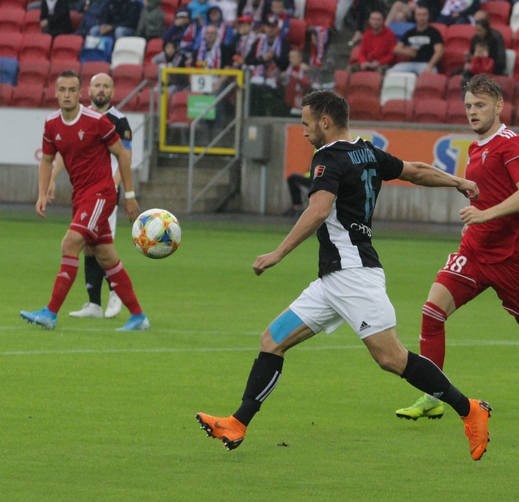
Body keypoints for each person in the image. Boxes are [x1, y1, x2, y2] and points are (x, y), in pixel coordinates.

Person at [195, 90, 493, 461]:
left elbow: (319, 211)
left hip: (354, 276)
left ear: (324, 122)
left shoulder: (329, 157)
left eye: (306, 124)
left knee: (391, 358)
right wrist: (457, 181)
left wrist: (278, 253)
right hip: (332, 280)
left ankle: (469, 409)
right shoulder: (365, 150)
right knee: (272, 339)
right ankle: (237, 423)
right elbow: (413, 170)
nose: (303, 131)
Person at [395, 74, 519, 422]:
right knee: (432, 313)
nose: (473, 112)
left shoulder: (512, 144)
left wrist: (484, 213)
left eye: (480, 105)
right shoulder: (476, 148)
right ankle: (433, 394)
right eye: (469, 106)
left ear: (499, 106)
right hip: (473, 251)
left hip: (510, 258)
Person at [20, 70, 149, 332]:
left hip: (101, 193)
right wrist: (42, 193)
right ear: (55, 93)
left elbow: (123, 156)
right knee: (106, 256)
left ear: (80, 94)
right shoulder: (51, 123)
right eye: (62, 90)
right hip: (80, 196)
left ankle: (50, 312)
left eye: (71, 90)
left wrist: (130, 196)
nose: (67, 95)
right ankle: (138, 317)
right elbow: (46, 160)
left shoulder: (97, 121)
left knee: (70, 242)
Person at [46, 72, 134, 320]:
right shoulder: (78, 116)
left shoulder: (119, 120)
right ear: (89, 90)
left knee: (94, 244)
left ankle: (115, 294)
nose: (101, 90)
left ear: (112, 91)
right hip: (85, 192)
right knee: (90, 246)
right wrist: (52, 178)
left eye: (106, 86)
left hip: (105, 192)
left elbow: (124, 157)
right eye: (97, 85)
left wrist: (119, 189)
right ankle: (94, 302)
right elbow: (63, 152)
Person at [388, 5, 443, 75]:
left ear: (428, 16)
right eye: (419, 15)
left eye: (424, 15)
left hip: (427, 64)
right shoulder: (410, 32)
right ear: (415, 16)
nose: (421, 17)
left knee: (430, 74)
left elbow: (439, 52)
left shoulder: (434, 32)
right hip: (411, 63)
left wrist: (430, 66)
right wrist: (408, 52)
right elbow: (396, 49)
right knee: (391, 72)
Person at [469, 12, 506, 77]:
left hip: (492, 68)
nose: (477, 33)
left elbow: (500, 60)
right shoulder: (475, 39)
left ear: (486, 30)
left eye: (479, 30)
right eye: (476, 30)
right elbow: (471, 54)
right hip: (476, 68)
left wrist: (485, 58)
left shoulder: (495, 38)